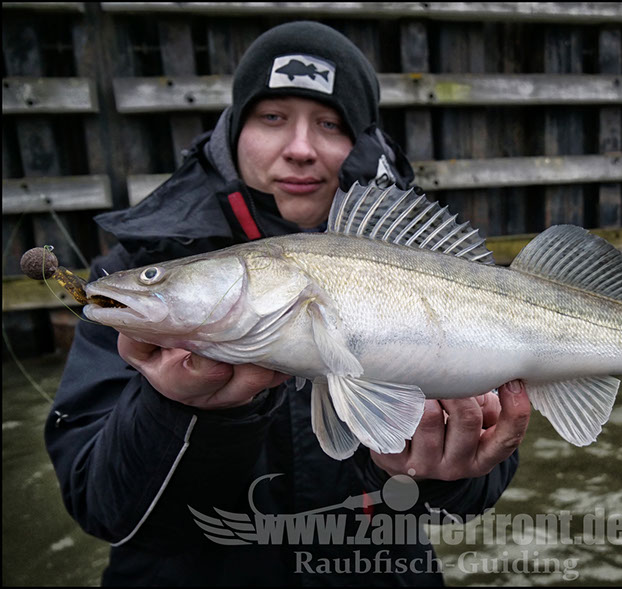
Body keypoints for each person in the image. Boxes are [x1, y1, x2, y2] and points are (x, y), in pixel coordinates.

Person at [45, 21, 531, 586]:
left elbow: (471, 498)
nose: (300, 149)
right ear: (233, 133)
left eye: (330, 124)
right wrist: (179, 410)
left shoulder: (435, 270)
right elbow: (101, 511)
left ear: (363, 145)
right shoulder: (121, 281)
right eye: (272, 117)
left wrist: (447, 473)